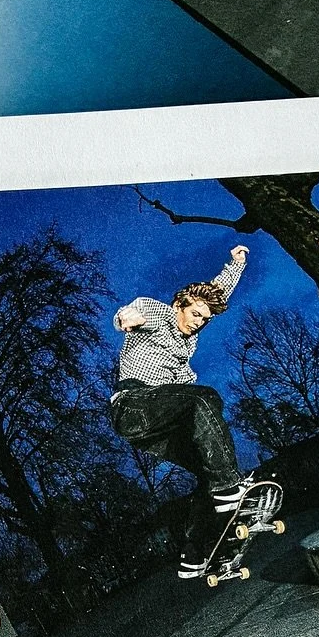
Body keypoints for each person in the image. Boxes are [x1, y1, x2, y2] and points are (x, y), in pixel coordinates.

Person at [109, 244, 254, 578]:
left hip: (158, 424)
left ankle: (197, 553)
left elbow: (217, 293)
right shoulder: (158, 312)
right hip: (135, 405)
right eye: (195, 315)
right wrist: (126, 320)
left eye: (205, 319)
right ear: (179, 305)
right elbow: (130, 313)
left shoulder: (191, 337)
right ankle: (229, 488)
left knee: (210, 466)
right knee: (203, 399)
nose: (199, 323)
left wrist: (236, 264)